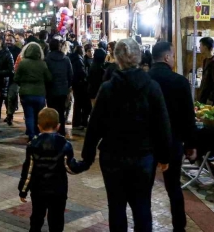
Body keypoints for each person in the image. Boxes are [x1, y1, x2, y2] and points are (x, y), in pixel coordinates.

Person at [82, 38, 172, 232]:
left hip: (113, 156)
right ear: (139, 58)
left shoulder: (107, 89)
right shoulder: (151, 87)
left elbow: (94, 126)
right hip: (143, 156)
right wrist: (165, 155)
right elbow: (162, 124)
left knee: (116, 207)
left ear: (117, 59)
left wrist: (87, 156)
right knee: (142, 206)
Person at [148, 42, 197, 232]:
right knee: (174, 187)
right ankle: (179, 227)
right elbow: (188, 116)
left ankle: (144, 225)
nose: (174, 59)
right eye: (173, 55)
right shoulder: (179, 81)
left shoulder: (145, 80)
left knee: (144, 188)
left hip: (148, 143)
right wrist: (191, 144)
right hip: (173, 142)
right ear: (167, 57)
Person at [18, 108, 87, 232]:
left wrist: (23, 190)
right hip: (58, 190)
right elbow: (70, 168)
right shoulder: (65, 144)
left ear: (38, 126)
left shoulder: (33, 145)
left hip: (38, 189)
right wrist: (84, 164)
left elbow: (28, 170)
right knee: (56, 219)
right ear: (59, 126)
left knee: (37, 217)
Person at [14, 43, 52, 140]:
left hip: (25, 93)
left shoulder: (23, 63)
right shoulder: (42, 64)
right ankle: (38, 133)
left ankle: (31, 136)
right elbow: (49, 78)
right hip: (40, 93)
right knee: (39, 115)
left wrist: (22, 83)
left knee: (29, 115)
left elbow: (16, 78)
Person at [45, 39, 73, 136]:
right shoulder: (65, 59)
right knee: (61, 111)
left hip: (50, 89)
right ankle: (61, 130)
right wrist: (68, 86)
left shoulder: (47, 59)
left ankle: (52, 129)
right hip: (63, 89)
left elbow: (45, 75)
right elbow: (70, 75)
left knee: (51, 110)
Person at [70, 46, 91, 130]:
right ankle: (78, 123)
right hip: (80, 84)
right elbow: (82, 73)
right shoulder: (79, 60)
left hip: (75, 84)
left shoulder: (73, 58)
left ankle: (76, 122)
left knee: (77, 104)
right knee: (80, 104)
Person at [4, 35, 22, 126]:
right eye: (7, 40)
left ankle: (10, 114)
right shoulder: (3, 50)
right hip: (4, 78)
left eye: (10, 40)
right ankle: (8, 112)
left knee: (12, 96)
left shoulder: (18, 51)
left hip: (14, 78)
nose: (8, 42)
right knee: (6, 98)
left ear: (14, 41)